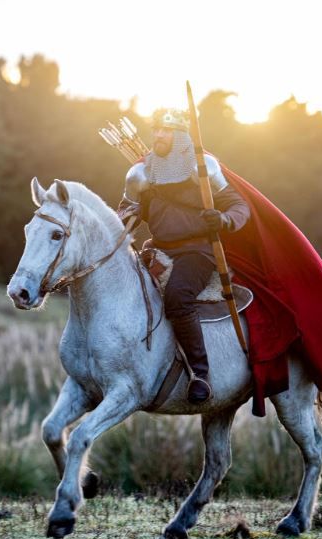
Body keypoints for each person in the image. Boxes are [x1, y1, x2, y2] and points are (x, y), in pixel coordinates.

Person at [117, 108, 250, 404]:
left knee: (177, 295)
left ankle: (200, 374)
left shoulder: (203, 167)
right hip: (159, 248)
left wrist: (224, 220)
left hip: (197, 252)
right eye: (156, 130)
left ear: (181, 135)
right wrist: (126, 218)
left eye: (166, 130)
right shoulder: (140, 172)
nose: (158, 135)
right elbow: (124, 212)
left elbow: (239, 206)